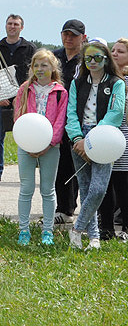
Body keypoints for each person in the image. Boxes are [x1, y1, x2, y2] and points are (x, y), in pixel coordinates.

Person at [65, 38, 125, 251]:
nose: (92, 61)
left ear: (106, 59)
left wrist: (93, 140)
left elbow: (116, 113)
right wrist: (78, 139)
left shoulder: (117, 83)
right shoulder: (77, 83)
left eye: (97, 57)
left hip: (104, 139)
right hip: (78, 138)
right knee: (86, 188)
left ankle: (77, 229)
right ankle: (94, 238)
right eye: (88, 57)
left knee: (99, 189)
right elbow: (71, 113)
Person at [12, 49, 67, 246]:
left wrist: (49, 143)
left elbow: (60, 121)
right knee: (26, 188)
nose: (40, 69)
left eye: (44, 65)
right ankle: (24, 230)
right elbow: (18, 115)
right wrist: (26, 142)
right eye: (36, 65)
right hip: (26, 145)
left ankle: (48, 231)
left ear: (53, 68)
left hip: (50, 147)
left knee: (47, 189)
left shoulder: (60, 92)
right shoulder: (25, 89)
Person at [52, 19, 87, 226]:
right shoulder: (55, 56)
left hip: (81, 118)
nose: (68, 38)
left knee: (83, 167)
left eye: (73, 35)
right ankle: (64, 208)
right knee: (62, 165)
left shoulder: (87, 58)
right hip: (57, 118)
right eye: (65, 34)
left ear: (82, 37)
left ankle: (91, 211)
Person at [0, 14, 35, 182]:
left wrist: (24, 95)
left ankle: (27, 171)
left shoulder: (30, 48)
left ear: (21, 27)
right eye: (10, 24)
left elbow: (32, 73)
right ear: (5, 26)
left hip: (23, 97)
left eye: (16, 24)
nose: (12, 27)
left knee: (25, 135)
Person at [98, 38, 128, 242]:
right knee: (104, 184)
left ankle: (125, 228)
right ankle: (106, 228)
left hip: (124, 137)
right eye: (113, 50)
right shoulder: (103, 79)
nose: (115, 54)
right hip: (103, 136)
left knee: (123, 185)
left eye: (121, 52)